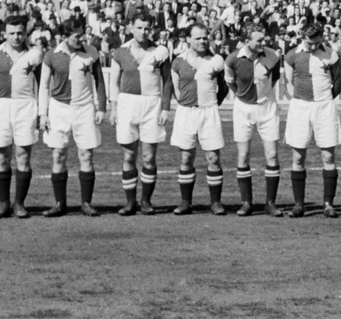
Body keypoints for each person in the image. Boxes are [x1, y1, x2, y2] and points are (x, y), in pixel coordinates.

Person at [38, 18, 108, 218]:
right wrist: (43, 113)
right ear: (63, 37)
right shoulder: (52, 55)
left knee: (86, 155)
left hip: (84, 108)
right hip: (58, 108)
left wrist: (101, 108)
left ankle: (86, 203)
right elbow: (43, 86)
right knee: (58, 154)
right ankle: (60, 203)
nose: (82, 39)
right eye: (76, 36)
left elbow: (100, 82)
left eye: (83, 35)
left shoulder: (91, 53)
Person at [0, 15, 45, 219]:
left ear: (25, 33)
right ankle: (3, 203)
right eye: (12, 33)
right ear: (4, 34)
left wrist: (42, 113)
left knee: (23, 156)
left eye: (20, 33)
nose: (16, 37)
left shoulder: (34, 55)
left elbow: (43, 86)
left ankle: (19, 203)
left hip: (25, 106)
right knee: (2, 157)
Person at [110, 14, 173, 215]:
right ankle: (130, 202)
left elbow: (168, 82)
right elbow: (113, 82)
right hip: (127, 103)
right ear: (131, 28)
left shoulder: (161, 51)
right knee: (129, 155)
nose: (143, 32)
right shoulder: (120, 52)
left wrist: (165, 108)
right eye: (139, 27)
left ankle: (145, 201)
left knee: (148, 156)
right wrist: (113, 108)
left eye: (147, 28)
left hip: (152, 103)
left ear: (152, 29)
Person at [282, 22, 341, 217]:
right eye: (309, 42)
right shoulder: (292, 55)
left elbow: (339, 82)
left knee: (328, 155)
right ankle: (299, 204)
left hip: (324, 106)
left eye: (316, 42)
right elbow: (288, 82)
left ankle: (328, 204)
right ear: (303, 37)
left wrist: (323, 100)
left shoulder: (331, 54)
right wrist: (300, 99)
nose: (312, 46)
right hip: (300, 107)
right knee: (298, 156)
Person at [170, 23, 228, 215]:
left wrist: (211, 104)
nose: (202, 41)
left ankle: (215, 202)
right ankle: (186, 202)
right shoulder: (178, 61)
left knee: (213, 157)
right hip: (186, 112)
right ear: (188, 39)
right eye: (198, 38)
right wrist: (188, 102)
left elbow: (224, 87)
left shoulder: (217, 60)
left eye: (205, 37)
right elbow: (176, 90)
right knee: (186, 158)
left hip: (208, 112)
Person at [227, 20, 283, 217]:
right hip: (243, 110)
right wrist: (244, 97)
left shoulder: (273, 56)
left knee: (272, 155)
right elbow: (230, 82)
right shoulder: (233, 59)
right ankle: (246, 202)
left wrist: (262, 97)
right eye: (258, 40)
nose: (263, 43)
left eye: (264, 39)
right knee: (243, 155)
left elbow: (274, 78)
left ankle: (270, 203)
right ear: (246, 41)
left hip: (267, 108)